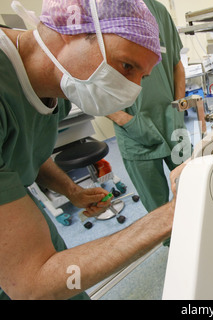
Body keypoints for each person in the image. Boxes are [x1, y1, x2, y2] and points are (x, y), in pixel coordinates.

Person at [0, 0, 178, 300]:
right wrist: (178, 212)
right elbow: (32, 283)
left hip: (26, 224)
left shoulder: (61, 84)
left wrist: (72, 191)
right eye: (127, 66)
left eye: (141, 78)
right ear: (72, 27)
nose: (132, 89)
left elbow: (25, 151)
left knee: (69, 287)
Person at [107, 0, 188, 212]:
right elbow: (86, 80)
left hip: (171, 120)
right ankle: (172, 242)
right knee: (156, 201)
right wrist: (123, 119)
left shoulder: (159, 11)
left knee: (190, 186)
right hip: (134, 129)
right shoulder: (103, 11)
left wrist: (179, 106)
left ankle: (196, 233)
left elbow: (176, 64)